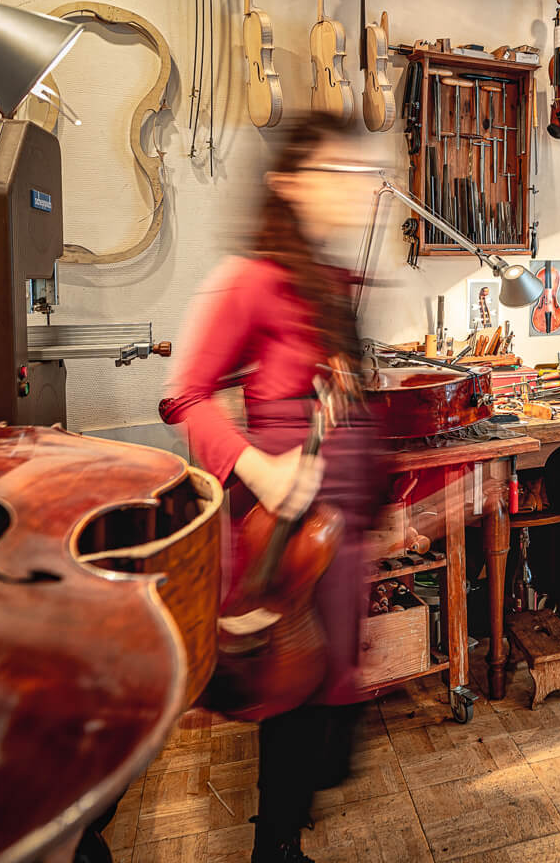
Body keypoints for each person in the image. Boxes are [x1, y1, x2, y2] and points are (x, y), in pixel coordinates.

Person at [161, 115, 385, 863]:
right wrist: (260, 467)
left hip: (341, 536)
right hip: (287, 535)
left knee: (333, 723)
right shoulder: (252, 280)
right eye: (337, 172)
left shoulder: (337, 285)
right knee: (296, 705)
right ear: (287, 185)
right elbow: (186, 397)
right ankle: (276, 847)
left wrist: (387, 510)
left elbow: (346, 405)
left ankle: (285, 831)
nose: (357, 187)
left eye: (362, 172)